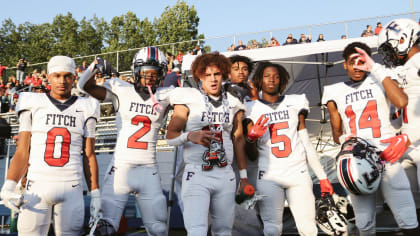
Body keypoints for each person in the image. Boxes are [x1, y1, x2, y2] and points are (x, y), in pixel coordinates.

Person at [322, 41, 419, 235]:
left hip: (387, 155)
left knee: (408, 218)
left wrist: (374, 67)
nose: (357, 66)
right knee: (364, 223)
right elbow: (336, 133)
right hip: (358, 161)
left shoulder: (381, 79)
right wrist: (343, 140)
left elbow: (401, 101)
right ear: (345, 64)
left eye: (361, 61)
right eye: (352, 62)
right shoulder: (334, 90)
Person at [0, 55, 101, 235]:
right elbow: (23, 151)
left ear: (74, 78)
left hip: (72, 186)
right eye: (57, 75)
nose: (62, 81)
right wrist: (9, 185)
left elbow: (89, 155)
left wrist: (95, 194)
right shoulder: (32, 102)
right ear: (48, 77)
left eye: (67, 76)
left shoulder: (87, 106)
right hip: (37, 186)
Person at [78, 46, 172, 235]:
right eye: (145, 72)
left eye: (155, 74)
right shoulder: (121, 89)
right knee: (103, 228)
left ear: (162, 75)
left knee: (159, 229)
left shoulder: (166, 95)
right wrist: (95, 66)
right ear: (136, 72)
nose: (150, 77)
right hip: (120, 168)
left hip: (149, 170)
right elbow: (83, 86)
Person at [166, 52, 251, 235]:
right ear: (199, 76)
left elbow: (238, 139)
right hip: (197, 173)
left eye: (216, 74)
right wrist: (189, 136)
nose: (212, 79)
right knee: (197, 230)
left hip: (225, 174)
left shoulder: (234, 100)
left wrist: (243, 177)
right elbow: (170, 136)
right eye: (207, 75)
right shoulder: (188, 97)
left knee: (224, 231)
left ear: (224, 75)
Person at [244, 61, 334, 235]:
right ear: (259, 80)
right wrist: (251, 138)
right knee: (271, 229)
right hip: (269, 175)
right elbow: (251, 154)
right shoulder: (250, 108)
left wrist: (322, 177)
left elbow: (306, 142)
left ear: (282, 80)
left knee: (308, 229)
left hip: (297, 171)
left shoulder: (295, 101)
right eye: (267, 76)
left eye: (276, 77)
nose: (272, 80)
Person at [358, 18, 420, 225]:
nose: (389, 55)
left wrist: (409, 136)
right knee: (413, 208)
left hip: (412, 140)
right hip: (407, 145)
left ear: (403, 39)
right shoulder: (405, 67)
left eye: (389, 48)